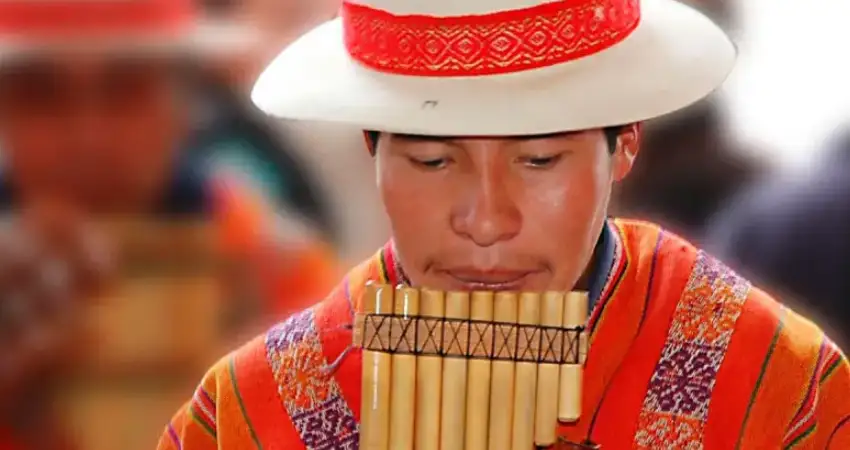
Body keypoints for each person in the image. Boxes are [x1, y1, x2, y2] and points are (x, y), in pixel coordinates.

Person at [159, 0, 850, 447]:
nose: (486, 220)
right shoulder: (249, 415)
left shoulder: (778, 388)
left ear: (626, 143)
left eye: (540, 159)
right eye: (432, 161)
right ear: (372, 147)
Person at [0, 0, 337, 447]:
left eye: (125, 89)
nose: (89, 137)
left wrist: (260, 395)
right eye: (43, 95)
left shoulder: (277, 270)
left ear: (182, 105)